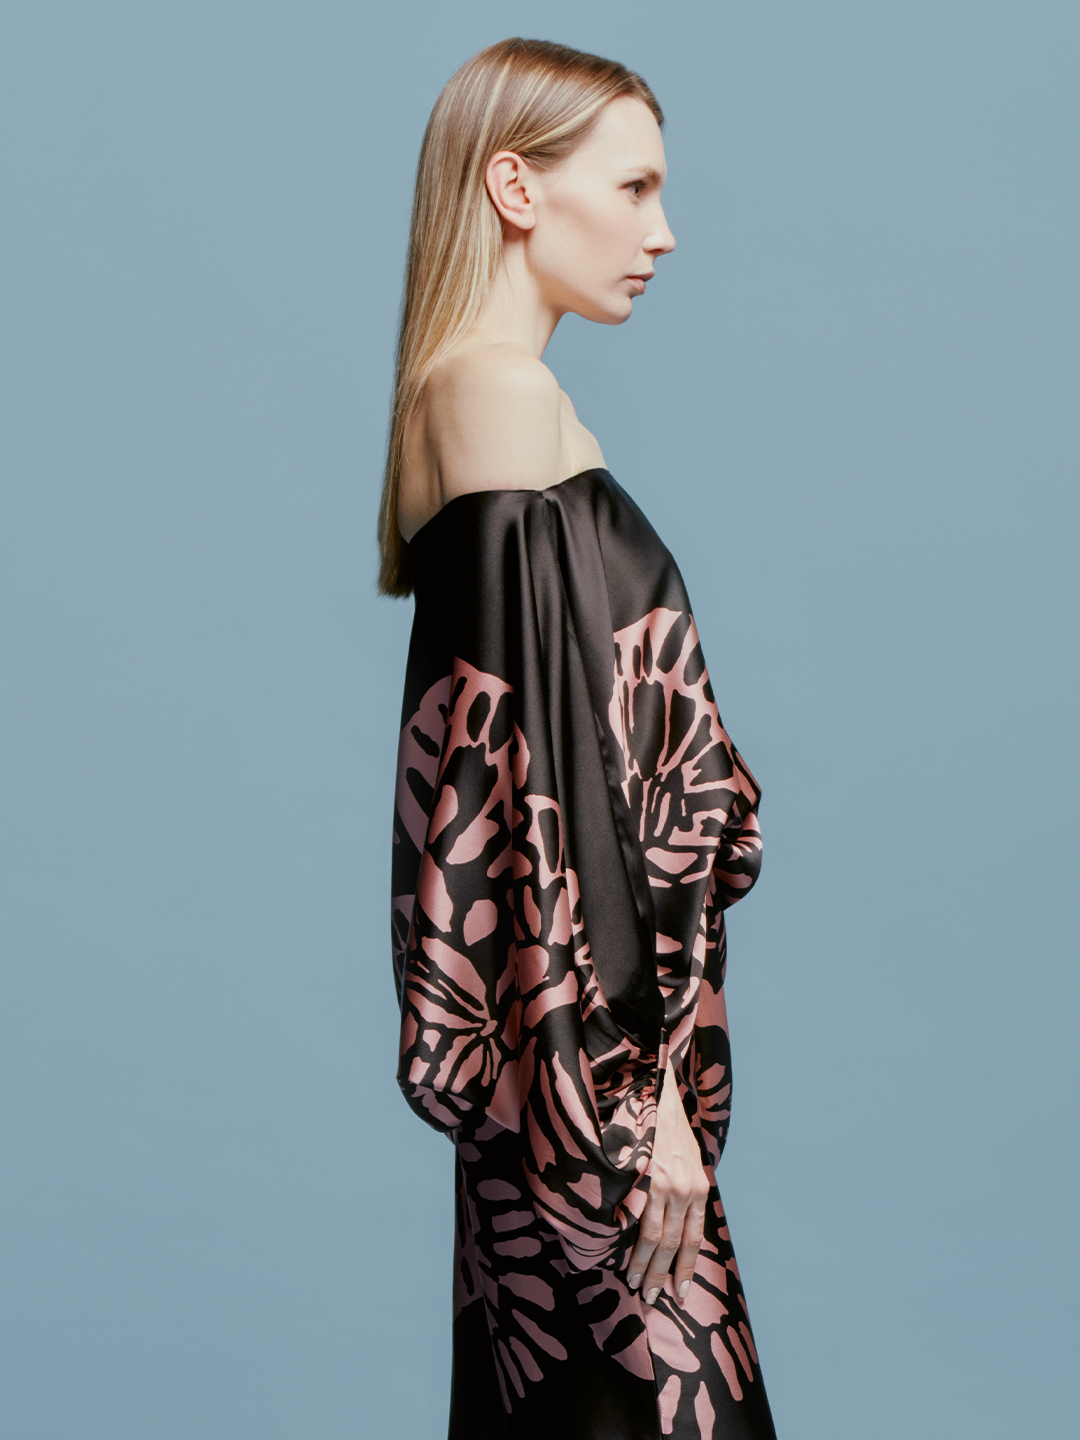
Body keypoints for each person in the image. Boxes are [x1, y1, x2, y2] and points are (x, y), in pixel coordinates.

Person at [381, 38, 777, 1440]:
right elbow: (543, 799)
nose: (662, 233)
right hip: (587, 1091)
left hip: (566, 1081)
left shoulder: (490, 403)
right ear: (517, 188)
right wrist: (641, 1096)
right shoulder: (495, 402)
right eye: (636, 186)